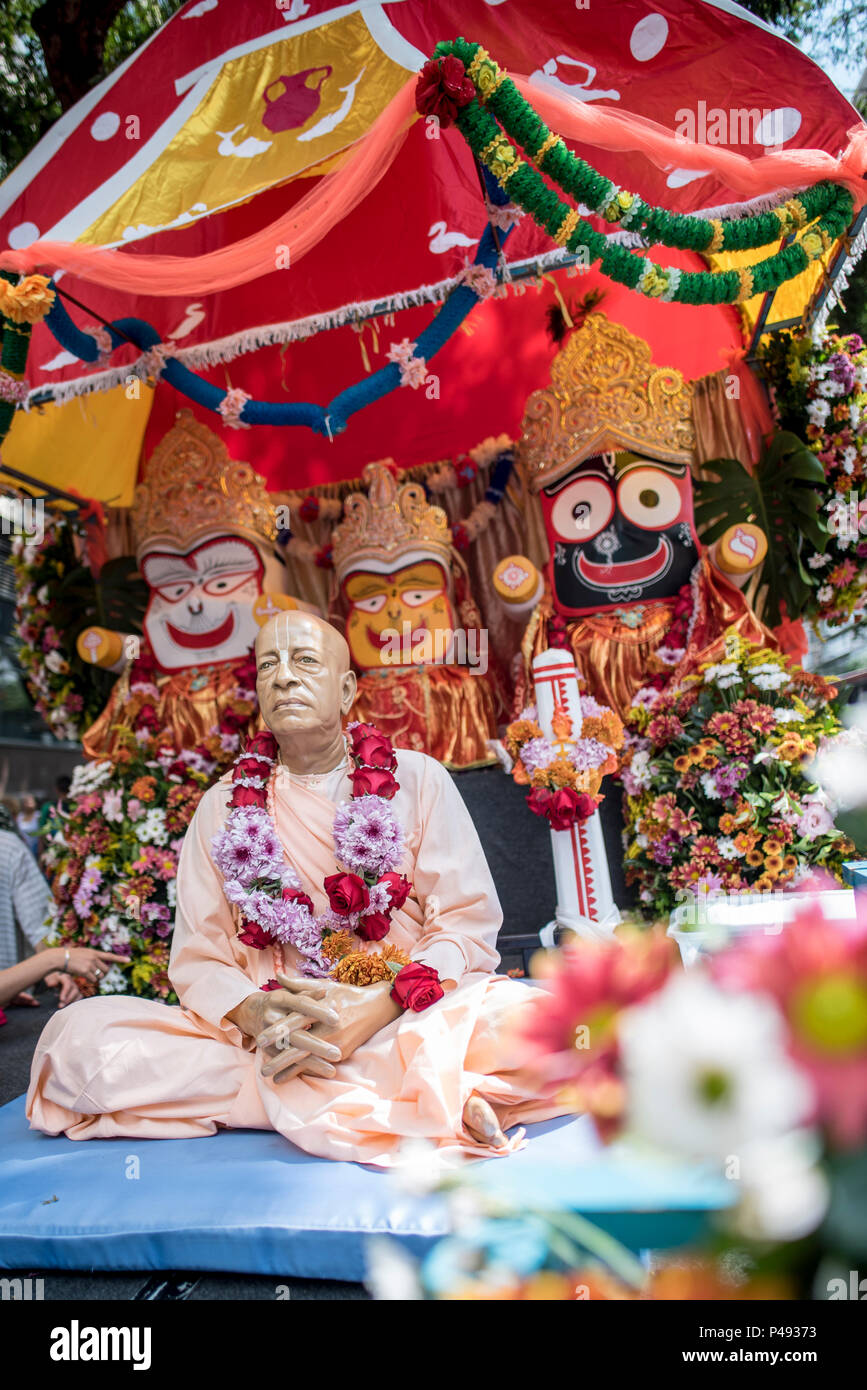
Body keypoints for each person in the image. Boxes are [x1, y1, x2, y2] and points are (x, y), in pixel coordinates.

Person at [27, 611, 570, 1165]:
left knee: (553, 1026)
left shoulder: (418, 778)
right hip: (275, 1030)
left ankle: (369, 1077)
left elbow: (464, 921)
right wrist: (260, 1017)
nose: (283, 677)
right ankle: (425, 1085)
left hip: (407, 1012)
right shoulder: (221, 807)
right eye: (268, 664)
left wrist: (376, 1005)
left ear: (347, 690)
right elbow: (199, 957)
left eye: (305, 661)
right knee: (76, 1042)